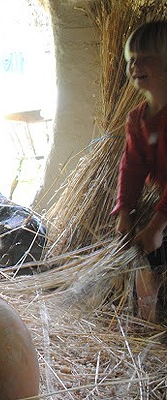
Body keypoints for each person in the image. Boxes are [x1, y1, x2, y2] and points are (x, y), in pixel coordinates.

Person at [114, 20, 167, 323]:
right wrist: (124, 211)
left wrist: (158, 224)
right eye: (131, 59)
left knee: (155, 239)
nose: (135, 65)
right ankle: (146, 323)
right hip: (162, 202)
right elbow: (131, 166)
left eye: (144, 57)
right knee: (144, 254)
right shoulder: (138, 118)